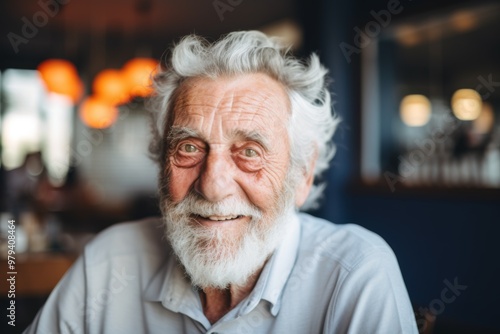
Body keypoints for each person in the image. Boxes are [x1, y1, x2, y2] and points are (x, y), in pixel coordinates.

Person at [25, 31, 418, 333]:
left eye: (249, 152)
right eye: (189, 148)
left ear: (303, 173)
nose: (212, 186)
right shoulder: (110, 263)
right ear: (162, 164)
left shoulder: (354, 276)